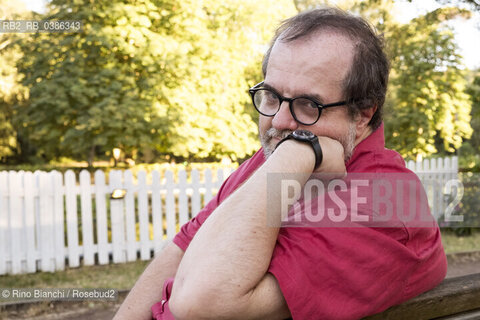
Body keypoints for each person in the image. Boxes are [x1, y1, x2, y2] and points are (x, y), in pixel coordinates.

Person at [114, 6, 447, 320]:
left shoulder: (384, 205)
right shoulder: (270, 161)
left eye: (307, 104)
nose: (280, 121)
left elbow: (200, 300)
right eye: (271, 97)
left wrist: (299, 150)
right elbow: (181, 249)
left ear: (362, 115)